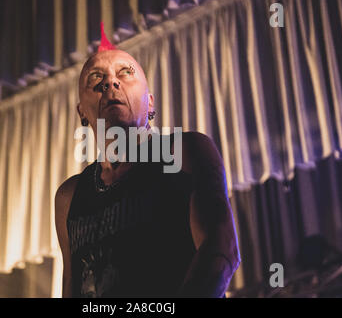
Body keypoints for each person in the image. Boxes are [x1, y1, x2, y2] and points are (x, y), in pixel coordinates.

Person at [55, 47, 240, 298]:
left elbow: (222, 248)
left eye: (125, 72)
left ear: (150, 103)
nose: (110, 81)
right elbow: (70, 286)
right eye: (96, 78)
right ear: (82, 113)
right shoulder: (69, 196)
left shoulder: (184, 152)